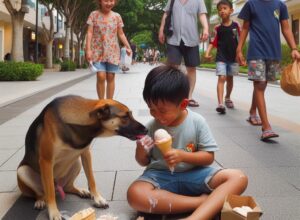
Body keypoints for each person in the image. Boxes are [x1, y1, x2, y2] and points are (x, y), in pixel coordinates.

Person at [127, 65, 248, 219]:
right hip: (159, 176)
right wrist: (140, 149)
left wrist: (183, 156)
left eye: (162, 110)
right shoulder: (150, 127)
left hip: (195, 174)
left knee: (238, 177)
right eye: (151, 109)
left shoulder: (197, 122)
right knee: (134, 194)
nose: (156, 115)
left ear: (183, 104)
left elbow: (209, 157)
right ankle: (203, 202)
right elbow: (143, 162)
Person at [236, 0, 300, 141]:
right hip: (256, 51)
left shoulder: (280, 5)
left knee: (262, 85)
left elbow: (286, 28)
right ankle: (266, 127)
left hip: (274, 52)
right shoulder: (250, 4)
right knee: (259, 84)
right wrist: (239, 49)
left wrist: (294, 48)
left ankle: (253, 112)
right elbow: (245, 28)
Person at [158, 0, 209, 107]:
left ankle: (189, 97)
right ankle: (172, 95)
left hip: (191, 38)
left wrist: (206, 28)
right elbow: (166, 14)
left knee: (191, 68)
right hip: (173, 39)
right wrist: (161, 30)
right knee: (172, 67)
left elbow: (202, 14)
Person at [85, 0, 131, 99]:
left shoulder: (117, 16)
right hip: (97, 51)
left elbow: (121, 33)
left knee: (111, 76)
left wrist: (128, 46)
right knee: (101, 76)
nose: (109, 3)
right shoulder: (94, 15)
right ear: (100, 1)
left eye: (111, 0)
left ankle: (109, 102)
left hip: (113, 51)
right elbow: (89, 33)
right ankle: (101, 103)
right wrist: (88, 49)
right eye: (106, 0)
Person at [205, 0, 239, 114]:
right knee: (222, 78)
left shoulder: (236, 25)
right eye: (220, 9)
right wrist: (207, 52)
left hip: (233, 57)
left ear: (231, 10)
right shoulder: (217, 28)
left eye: (224, 8)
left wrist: (240, 55)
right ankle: (220, 104)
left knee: (230, 78)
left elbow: (239, 40)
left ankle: (228, 97)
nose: (222, 11)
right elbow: (213, 42)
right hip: (221, 57)